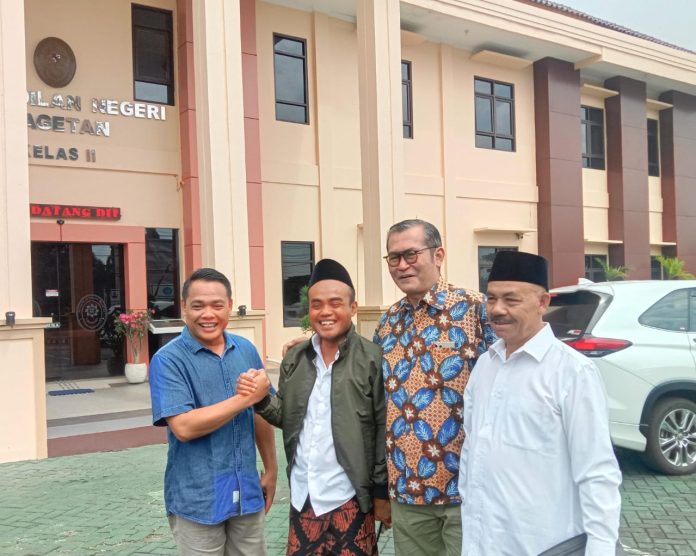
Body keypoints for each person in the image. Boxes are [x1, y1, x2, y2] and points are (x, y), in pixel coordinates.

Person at [458, 251, 622, 555]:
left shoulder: (572, 372)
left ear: (543, 302)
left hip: (544, 543)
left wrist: (601, 547)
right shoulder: (484, 366)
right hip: (483, 540)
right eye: (491, 299)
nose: (497, 309)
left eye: (511, 300)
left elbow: (597, 471)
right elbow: (472, 449)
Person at [239, 259, 389, 556]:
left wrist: (381, 491)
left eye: (335, 303)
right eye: (316, 304)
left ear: (353, 307)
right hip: (304, 495)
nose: (326, 312)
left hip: (350, 497)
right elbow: (287, 417)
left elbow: (383, 428)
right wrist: (261, 398)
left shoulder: (373, 359)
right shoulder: (295, 359)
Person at [374, 219, 495, 556]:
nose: (402, 265)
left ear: (438, 255)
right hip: (407, 491)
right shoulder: (388, 322)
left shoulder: (475, 309)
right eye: (393, 257)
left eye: (411, 254)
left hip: (467, 491)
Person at [148, 267, 277, 556]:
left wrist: (271, 469)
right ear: (184, 307)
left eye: (217, 305)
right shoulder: (168, 360)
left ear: (229, 305)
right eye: (198, 306)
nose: (208, 314)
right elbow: (184, 427)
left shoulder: (246, 350)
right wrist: (245, 398)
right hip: (198, 500)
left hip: (247, 492)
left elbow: (261, 413)